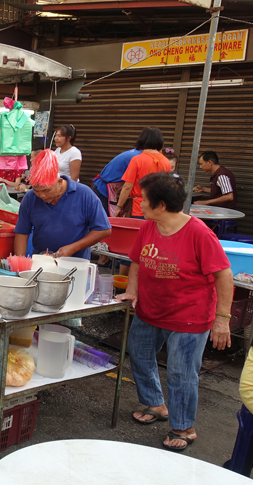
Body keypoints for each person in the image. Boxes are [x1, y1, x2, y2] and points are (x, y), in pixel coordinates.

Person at [115, 172, 232, 452]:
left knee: (181, 373)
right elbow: (137, 262)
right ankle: (156, 403)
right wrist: (133, 291)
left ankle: (184, 427)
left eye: (143, 199)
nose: (139, 202)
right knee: (140, 354)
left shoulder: (200, 233)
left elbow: (224, 276)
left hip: (189, 317)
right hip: (150, 310)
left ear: (162, 205)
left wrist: (222, 319)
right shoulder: (148, 227)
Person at [14, 149, 111, 259]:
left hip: (75, 264)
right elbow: (22, 232)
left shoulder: (85, 194)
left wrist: (73, 248)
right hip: (42, 262)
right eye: (37, 190)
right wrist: (19, 263)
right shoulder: (30, 198)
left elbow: (104, 230)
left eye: (46, 191)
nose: (41, 195)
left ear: (59, 182)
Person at [92, 128, 161, 215]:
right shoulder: (139, 157)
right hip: (103, 188)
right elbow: (128, 186)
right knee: (106, 221)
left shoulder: (136, 153)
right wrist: (119, 206)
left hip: (103, 186)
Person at [116, 127, 170, 219]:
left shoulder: (137, 160)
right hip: (157, 209)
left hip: (139, 208)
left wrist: (119, 206)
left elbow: (127, 186)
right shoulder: (166, 162)